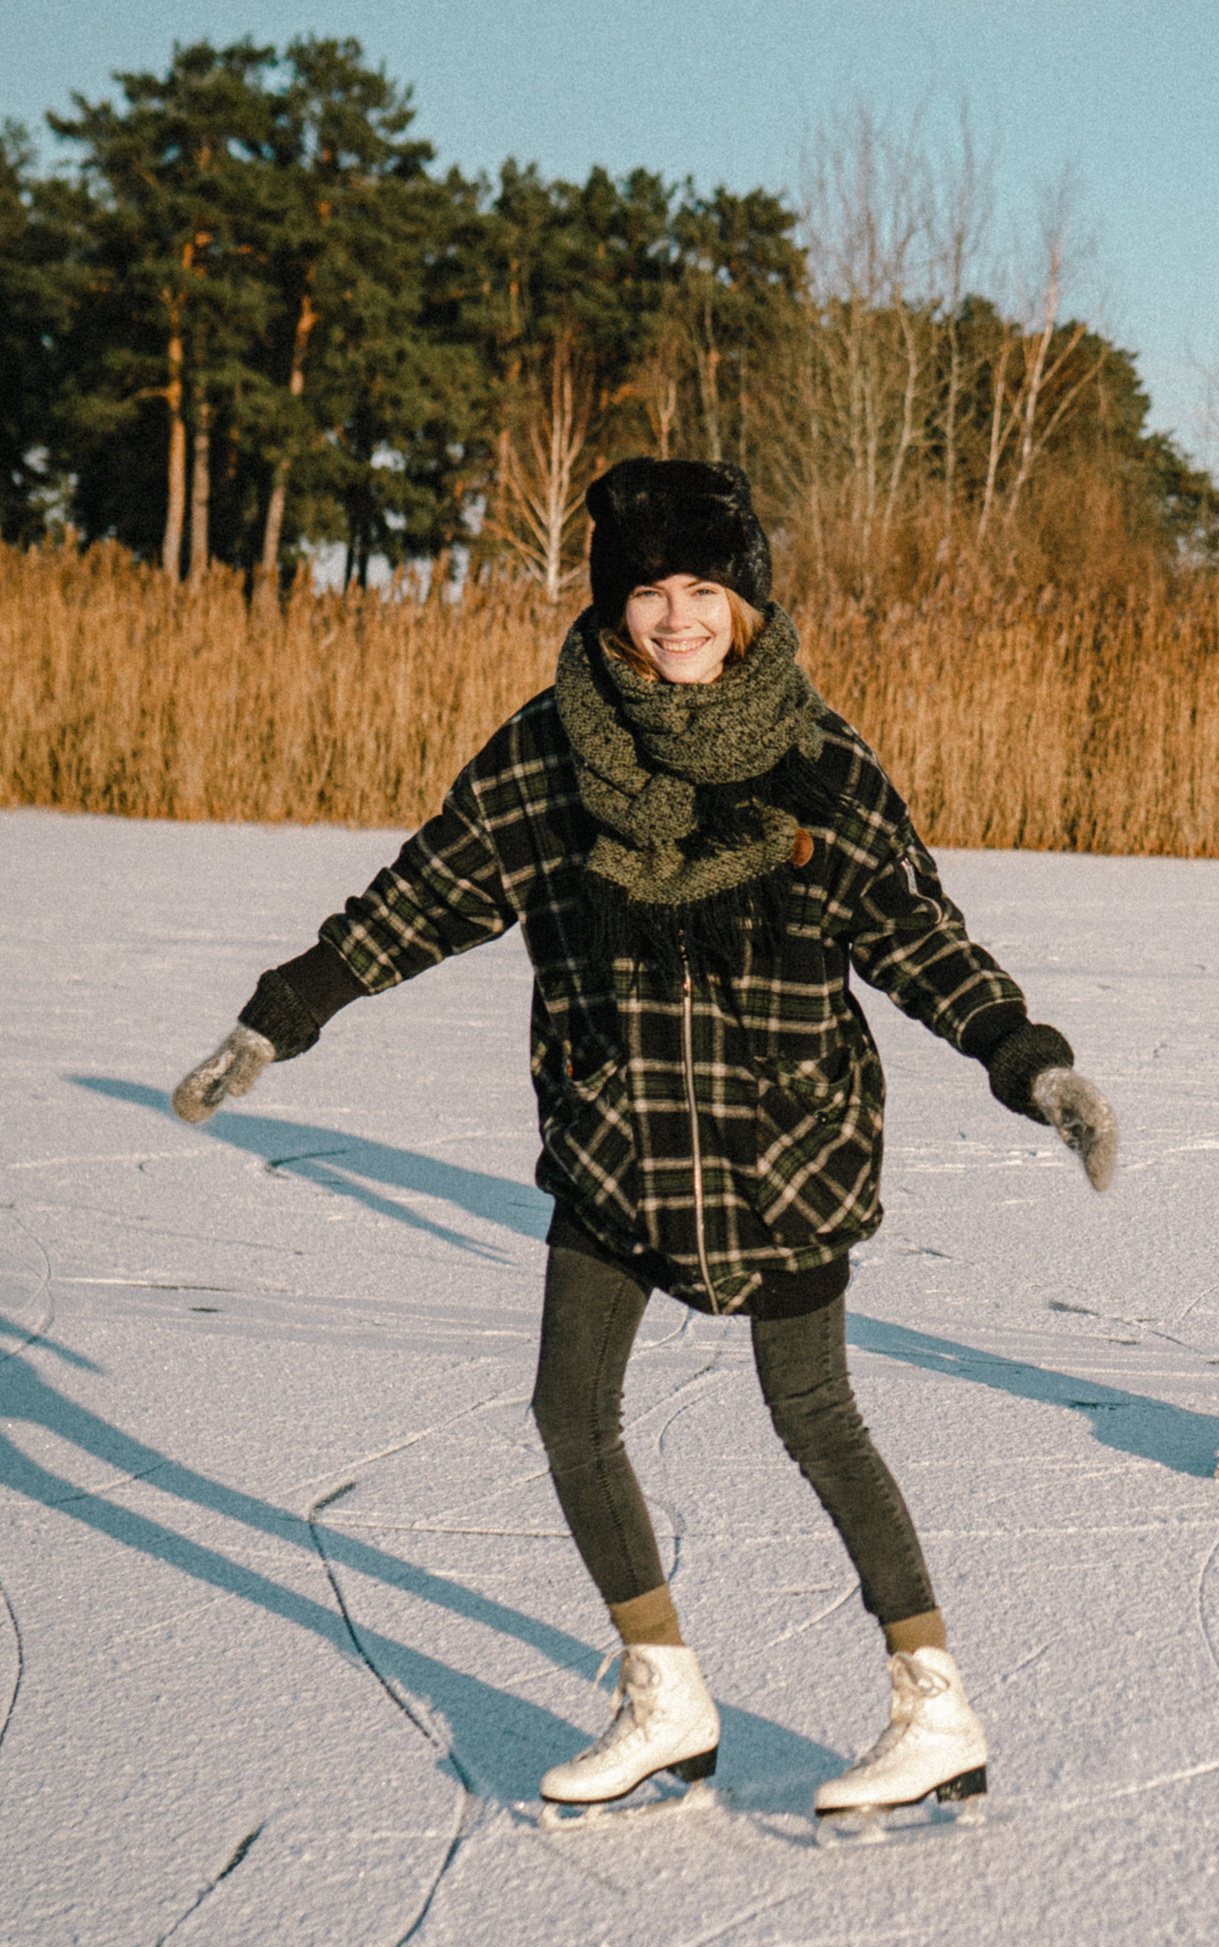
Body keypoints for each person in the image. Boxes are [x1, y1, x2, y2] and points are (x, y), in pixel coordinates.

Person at [171, 457, 1116, 1823]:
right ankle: (663, 1694)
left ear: (744, 601)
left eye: (702, 590)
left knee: (815, 1414)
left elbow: (916, 935)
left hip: (784, 1142)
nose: (676, 618)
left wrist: (1029, 1062)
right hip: (618, 1134)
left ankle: (934, 1705)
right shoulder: (550, 754)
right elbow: (429, 893)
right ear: (613, 606)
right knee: (572, 1410)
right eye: (648, 593)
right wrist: (283, 1016)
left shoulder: (817, 759)